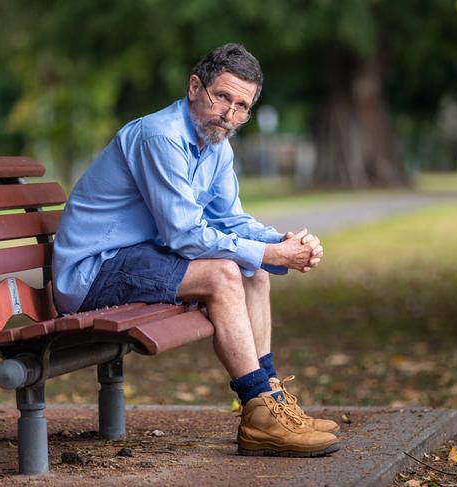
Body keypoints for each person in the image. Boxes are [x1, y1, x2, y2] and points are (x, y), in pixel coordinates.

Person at [52, 43, 340, 457]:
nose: (230, 114)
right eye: (222, 97)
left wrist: (282, 243)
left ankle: (273, 403)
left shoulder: (217, 145)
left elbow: (231, 219)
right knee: (224, 272)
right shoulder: (160, 137)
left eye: (242, 106)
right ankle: (259, 416)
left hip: (135, 260)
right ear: (194, 87)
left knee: (253, 271)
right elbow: (183, 236)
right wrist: (268, 253)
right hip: (93, 271)